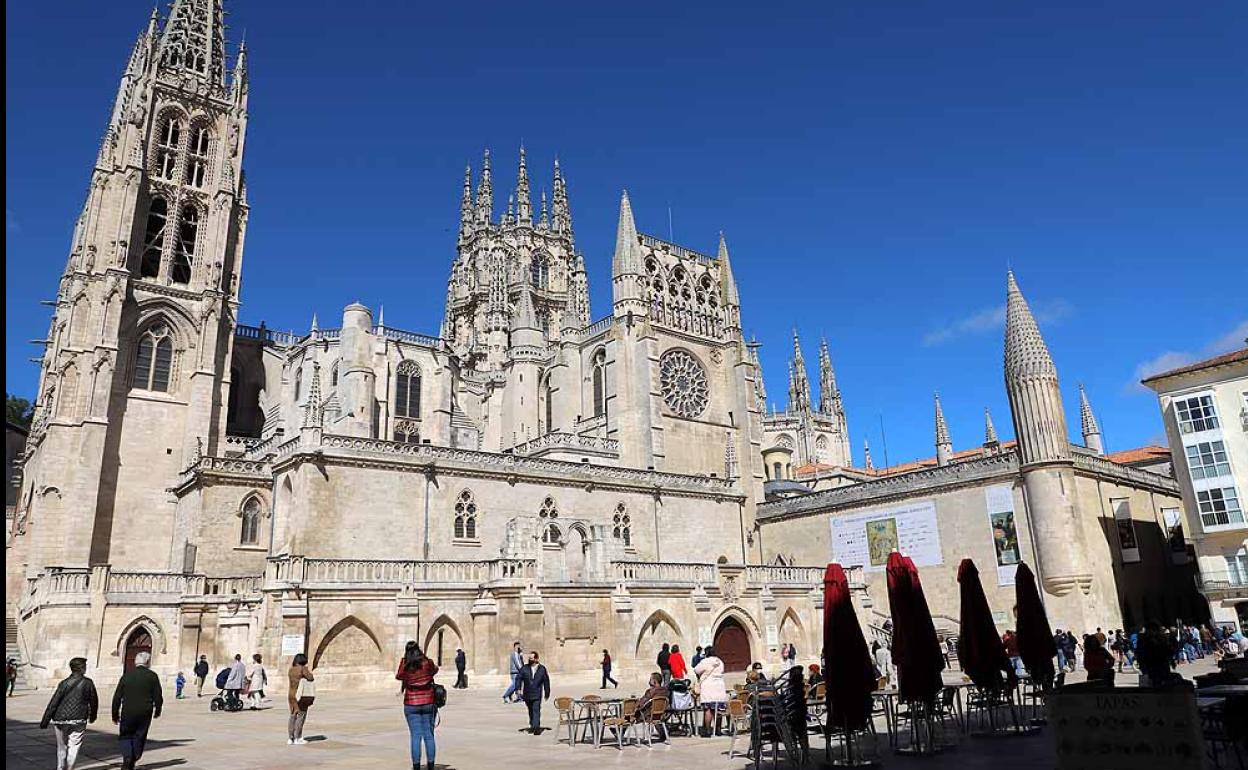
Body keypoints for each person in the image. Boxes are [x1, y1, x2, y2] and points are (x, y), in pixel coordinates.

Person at [40, 657, 99, 770]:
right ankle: (70, 767)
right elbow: (94, 701)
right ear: (82, 669)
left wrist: (45, 720)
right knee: (74, 746)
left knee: (61, 746)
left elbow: (54, 702)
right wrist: (92, 716)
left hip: (60, 719)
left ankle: (60, 767)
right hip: (79, 719)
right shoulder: (88, 683)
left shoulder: (64, 683)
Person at [111, 651, 162, 770]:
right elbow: (158, 695)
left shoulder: (127, 675)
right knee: (140, 734)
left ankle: (128, 757)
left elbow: (117, 696)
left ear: (135, 662)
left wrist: (115, 713)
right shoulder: (152, 676)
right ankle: (134, 757)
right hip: (145, 711)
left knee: (125, 735)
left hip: (128, 710)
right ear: (148, 662)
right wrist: (158, 709)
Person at [397, 640, 439, 769]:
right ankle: (431, 766)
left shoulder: (405, 664)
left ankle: (416, 767)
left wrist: (404, 661)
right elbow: (435, 669)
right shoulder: (426, 662)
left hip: (411, 703)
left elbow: (399, 676)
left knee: (415, 736)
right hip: (428, 702)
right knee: (429, 735)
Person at [694, 646, 728, 737]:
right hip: (719, 686)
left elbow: (696, 670)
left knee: (708, 708)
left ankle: (708, 730)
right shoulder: (720, 662)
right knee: (719, 708)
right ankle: (718, 729)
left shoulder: (706, 661)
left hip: (708, 685)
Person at [518, 651, 551, 734]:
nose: (530, 660)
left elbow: (546, 681)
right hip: (527, 693)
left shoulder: (542, 669)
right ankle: (532, 725)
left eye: (532, 658)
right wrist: (518, 689)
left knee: (536, 709)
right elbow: (518, 678)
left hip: (537, 693)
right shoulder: (524, 668)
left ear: (536, 659)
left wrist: (547, 692)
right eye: (529, 658)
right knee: (530, 710)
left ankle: (536, 728)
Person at [288, 652, 315, 745]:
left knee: (293, 715)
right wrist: (307, 671)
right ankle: (298, 737)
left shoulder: (291, 670)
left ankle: (290, 737)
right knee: (301, 715)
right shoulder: (303, 669)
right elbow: (311, 678)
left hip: (291, 694)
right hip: (300, 694)